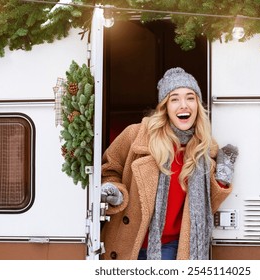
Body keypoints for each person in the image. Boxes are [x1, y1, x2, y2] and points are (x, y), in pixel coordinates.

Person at [100, 67, 238, 260]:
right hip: (129, 240)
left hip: (171, 247)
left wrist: (222, 176)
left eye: (190, 98)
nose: (184, 105)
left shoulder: (204, 148)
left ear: (198, 104)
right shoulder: (136, 135)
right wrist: (115, 192)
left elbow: (206, 207)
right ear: (165, 107)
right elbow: (109, 170)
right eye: (175, 99)